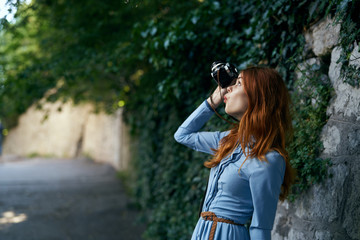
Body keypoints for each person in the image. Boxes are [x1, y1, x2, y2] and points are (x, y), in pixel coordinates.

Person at [174, 66, 295, 240]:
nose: (228, 88)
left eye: (238, 83)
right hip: (201, 233)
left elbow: (260, 227)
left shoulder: (269, 159)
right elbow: (182, 135)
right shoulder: (227, 141)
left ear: (257, 96)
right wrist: (214, 99)